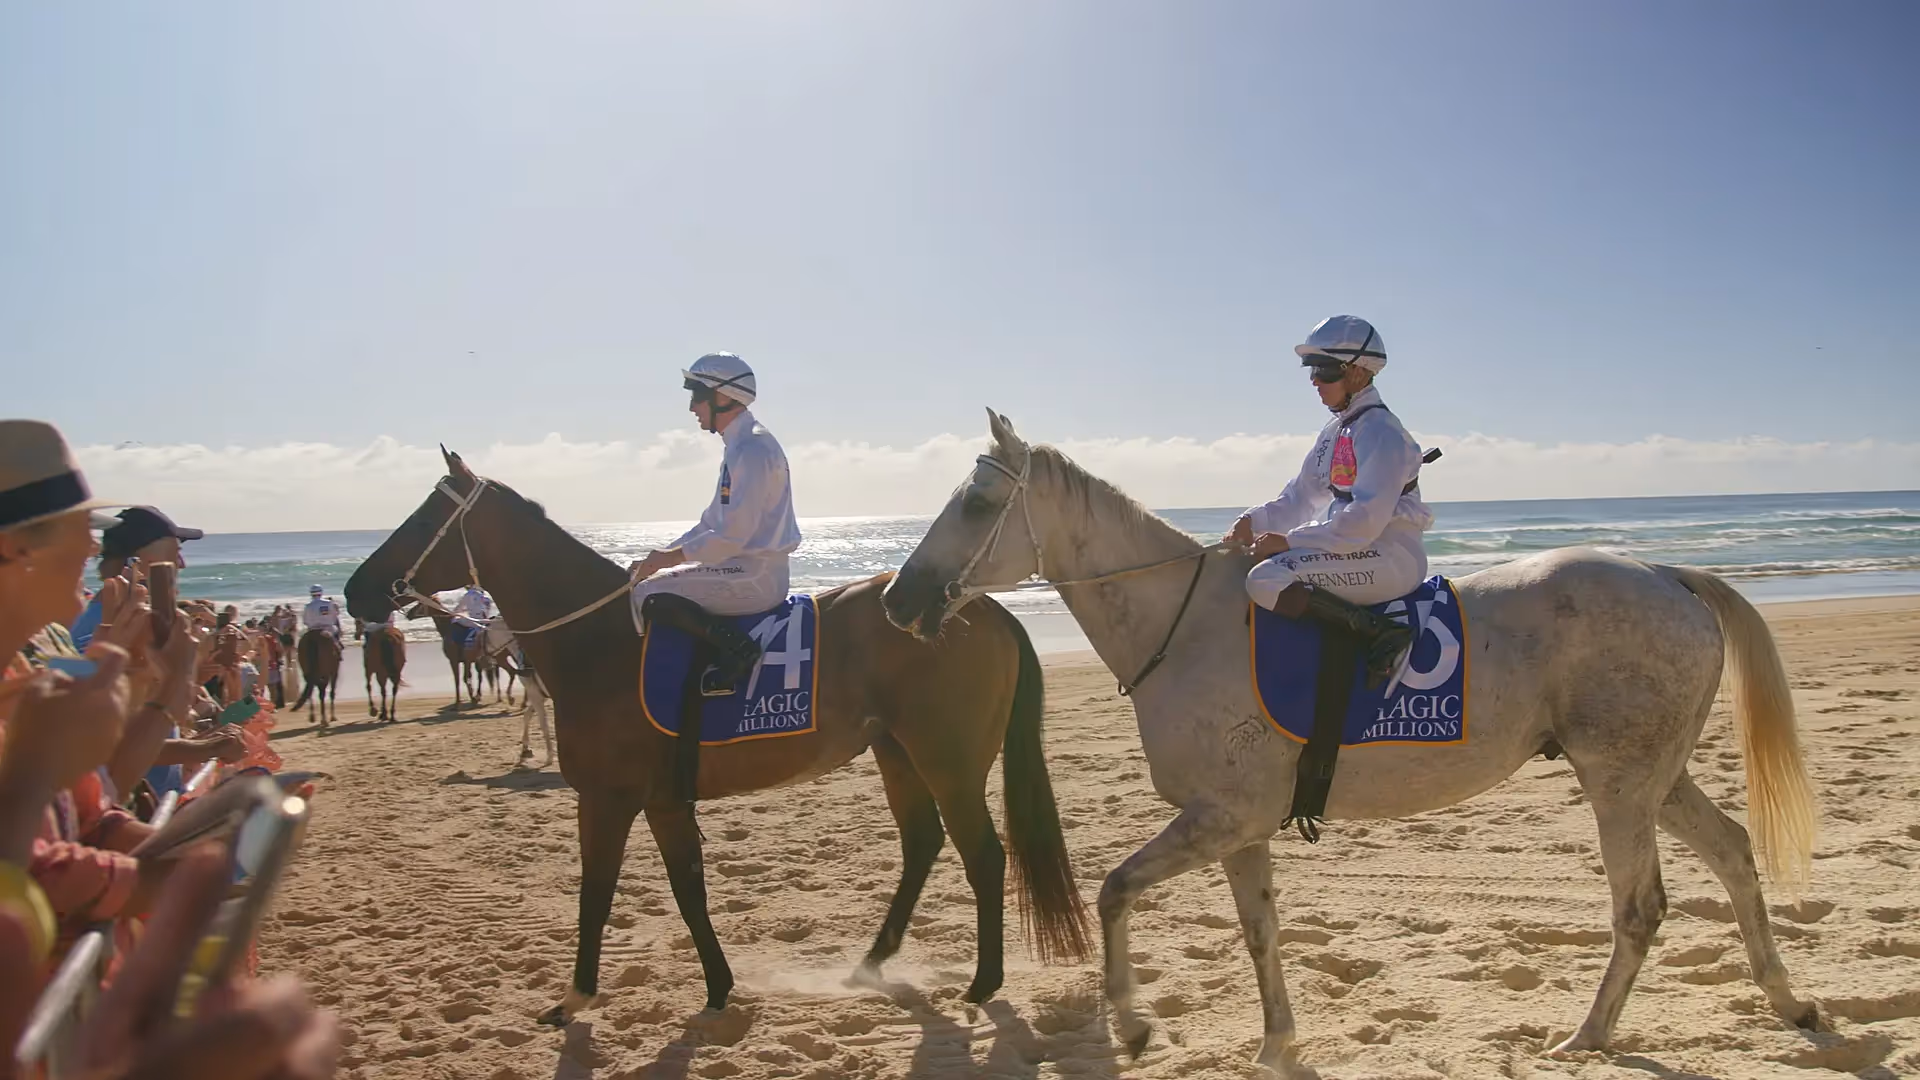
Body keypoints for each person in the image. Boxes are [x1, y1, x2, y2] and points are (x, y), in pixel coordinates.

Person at [1225, 316, 1434, 687]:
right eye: (1311, 370)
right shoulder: (1336, 432)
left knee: (1266, 578)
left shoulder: (1382, 433)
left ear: (1357, 372)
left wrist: (1288, 542)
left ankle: (1381, 632)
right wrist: (1252, 523)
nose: (1314, 381)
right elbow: (1300, 498)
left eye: (1324, 370)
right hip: (1355, 550)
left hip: (1390, 557)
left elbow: (1363, 523)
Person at [627, 352, 802, 696]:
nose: (693, 407)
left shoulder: (751, 448)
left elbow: (732, 537)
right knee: (647, 583)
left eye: (696, 395)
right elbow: (711, 524)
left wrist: (668, 561)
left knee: (646, 595)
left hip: (755, 575)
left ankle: (738, 651)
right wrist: (661, 556)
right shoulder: (740, 445)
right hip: (744, 567)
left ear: (722, 397)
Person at [69, 505, 204, 650]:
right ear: (137, 562)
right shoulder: (121, 617)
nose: (181, 564)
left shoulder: (109, 610)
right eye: (174, 553)